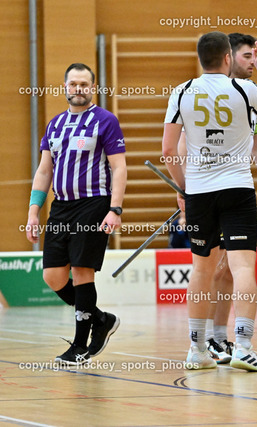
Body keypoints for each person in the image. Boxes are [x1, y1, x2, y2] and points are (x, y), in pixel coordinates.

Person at [162, 32, 257, 371]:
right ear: (228, 58)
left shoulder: (181, 92)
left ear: (201, 58)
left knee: (201, 269)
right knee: (242, 266)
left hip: (199, 192)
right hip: (237, 189)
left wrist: (184, 187)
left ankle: (196, 349)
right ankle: (243, 346)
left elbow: (169, 150)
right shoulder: (245, 90)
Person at [26, 63, 125, 365]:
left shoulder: (105, 121)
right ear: (65, 87)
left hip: (93, 204)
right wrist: (33, 212)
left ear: (92, 87)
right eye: (73, 84)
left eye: (84, 84)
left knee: (82, 271)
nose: (78, 89)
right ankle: (101, 319)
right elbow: (44, 171)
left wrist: (115, 209)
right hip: (60, 207)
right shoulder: (54, 125)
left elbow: (119, 167)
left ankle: (80, 346)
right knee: (53, 276)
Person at [198, 32, 257, 365]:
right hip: (211, 191)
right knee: (215, 268)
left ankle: (220, 339)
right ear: (228, 57)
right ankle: (211, 338)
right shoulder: (208, 93)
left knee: (230, 270)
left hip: (229, 191)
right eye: (248, 56)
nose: (253, 61)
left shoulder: (248, 95)